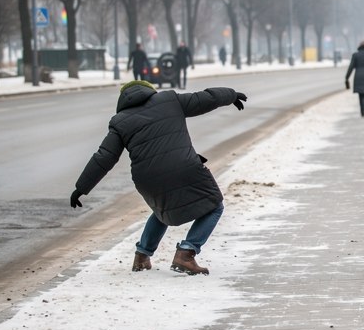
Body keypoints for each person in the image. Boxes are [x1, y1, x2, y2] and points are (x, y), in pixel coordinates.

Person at [69, 80, 248, 275]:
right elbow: (204, 98)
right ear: (150, 91)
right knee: (215, 206)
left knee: (162, 209)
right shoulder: (169, 100)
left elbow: (104, 157)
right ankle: (186, 253)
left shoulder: (120, 121)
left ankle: (142, 255)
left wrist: (81, 188)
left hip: (147, 180)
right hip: (183, 167)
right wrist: (231, 95)